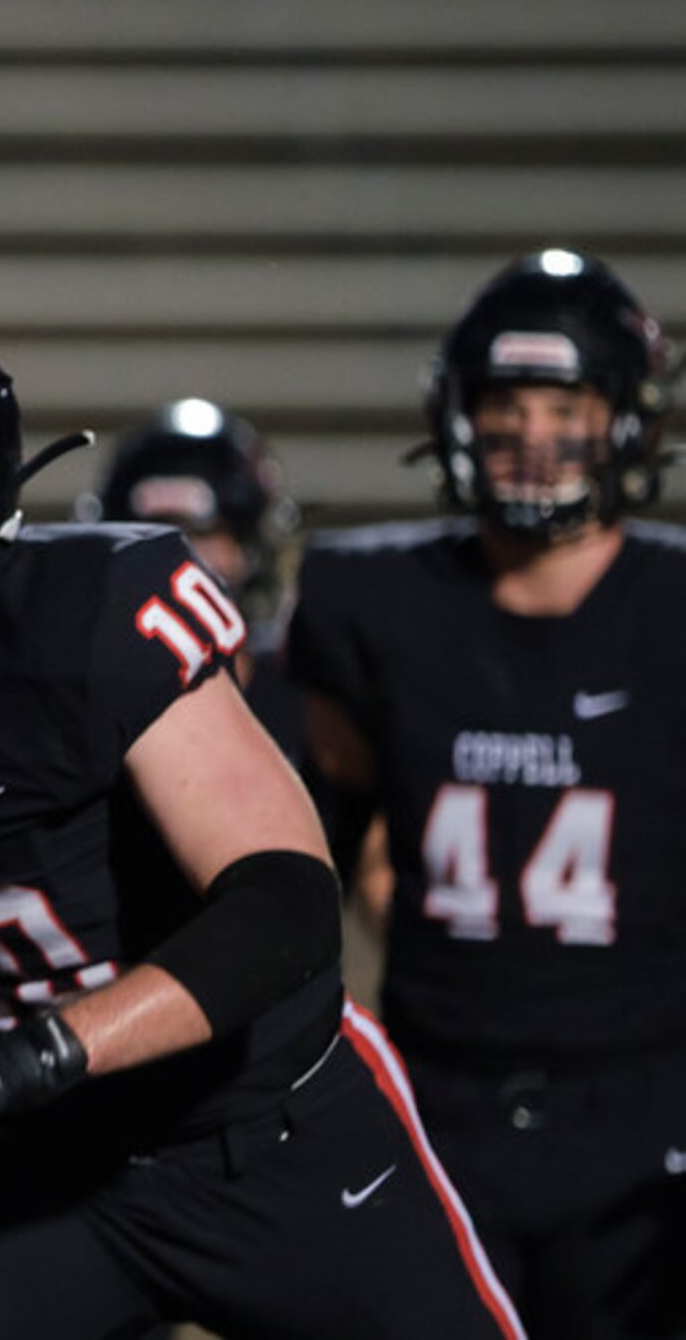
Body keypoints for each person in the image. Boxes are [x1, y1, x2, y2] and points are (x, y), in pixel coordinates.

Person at [0, 293, 526, 1340]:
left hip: (264, 1130)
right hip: (35, 1162)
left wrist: (45, 1048)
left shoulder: (85, 614)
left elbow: (284, 907)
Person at [287, 249, 686, 1338]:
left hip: (646, 1094)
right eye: (504, 403)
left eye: (564, 404)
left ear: (623, 420)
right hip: (439, 1089)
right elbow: (337, 820)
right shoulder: (370, 598)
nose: (529, 433)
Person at [76, 399, 309, 764]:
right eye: (151, 539)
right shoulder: (78, 700)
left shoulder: (308, 694)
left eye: (202, 534)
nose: (171, 563)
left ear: (249, 546)